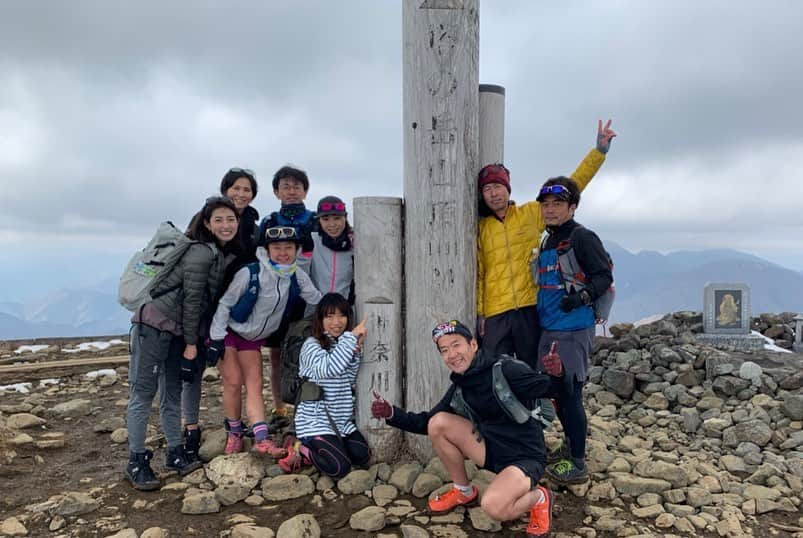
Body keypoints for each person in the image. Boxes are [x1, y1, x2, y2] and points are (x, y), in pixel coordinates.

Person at [371, 320, 563, 538]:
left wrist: (558, 374)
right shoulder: (461, 386)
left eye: (456, 345)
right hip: (490, 451)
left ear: (473, 345)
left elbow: (552, 389)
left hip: (525, 456)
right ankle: (464, 491)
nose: (452, 354)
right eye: (444, 350)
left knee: (493, 507)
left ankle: (539, 498)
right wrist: (391, 414)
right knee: (438, 423)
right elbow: (428, 422)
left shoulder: (505, 370)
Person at [476, 120, 616, 362]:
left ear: (508, 189)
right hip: (495, 311)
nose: (494, 193)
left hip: (530, 307)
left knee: (532, 370)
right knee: (494, 372)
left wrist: (599, 153)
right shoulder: (480, 228)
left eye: (498, 186)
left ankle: (535, 403)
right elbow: (479, 273)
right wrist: (480, 312)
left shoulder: (531, 213)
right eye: (487, 189)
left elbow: (573, 186)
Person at [125, 196, 239, 491]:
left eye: (231, 219)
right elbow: (191, 301)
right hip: (152, 326)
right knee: (143, 392)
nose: (226, 225)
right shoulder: (201, 253)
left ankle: (175, 452)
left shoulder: (214, 252)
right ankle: (136, 460)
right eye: (219, 220)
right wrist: (192, 343)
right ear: (206, 223)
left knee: (172, 391)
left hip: (173, 331)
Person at [207, 226, 322, 457]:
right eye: (276, 247)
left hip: (253, 338)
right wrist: (216, 339)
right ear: (266, 250)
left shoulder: (296, 274)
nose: (283, 253)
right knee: (233, 380)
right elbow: (225, 304)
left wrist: (338, 317)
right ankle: (234, 432)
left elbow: (318, 299)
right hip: (228, 331)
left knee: (255, 384)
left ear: (296, 250)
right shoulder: (251, 273)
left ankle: (261, 438)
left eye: (288, 247)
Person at [534, 176, 613, 485]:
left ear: (573, 207)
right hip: (549, 326)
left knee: (570, 392)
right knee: (556, 393)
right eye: (546, 205)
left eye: (557, 204)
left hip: (574, 328)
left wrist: (579, 298)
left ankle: (578, 463)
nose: (550, 210)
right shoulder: (548, 239)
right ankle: (569, 446)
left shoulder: (582, 238)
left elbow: (603, 276)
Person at [181, 168, 259, 463]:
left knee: (236, 375)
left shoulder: (251, 223)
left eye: (247, 189)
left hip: (231, 309)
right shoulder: (207, 220)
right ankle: (190, 429)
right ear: (225, 190)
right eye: (235, 188)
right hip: (201, 306)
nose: (241, 194)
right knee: (193, 369)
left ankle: (236, 426)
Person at [279, 293, 370, 478]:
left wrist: (355, 353)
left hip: (340, 421)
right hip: (315, 422)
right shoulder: (311, 345)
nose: (336, 322)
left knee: (362, 456)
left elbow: (349, 378)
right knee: (339, 468)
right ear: (320, 319)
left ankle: (329, 447)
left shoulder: (342, 343)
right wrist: (350, 339)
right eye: (329, 316)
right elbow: (328, 370)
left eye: (341, 315)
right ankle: (302, 448)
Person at [259, 165, 318, 428]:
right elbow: (259, 257)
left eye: (297, 186)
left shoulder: (318, 219)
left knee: (310, 353)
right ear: (276, 191)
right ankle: (280, 407)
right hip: (277, 301)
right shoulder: (270, 222)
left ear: (305, 190)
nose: (291, 191)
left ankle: (308, 408)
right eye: (285, 186)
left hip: (309, 298)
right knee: (276, 356)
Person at [307, 196, 355, 310]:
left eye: (337, 218)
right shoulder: (311, 241)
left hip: (345, 311)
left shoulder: (355, 243)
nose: (332, 224)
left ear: (345, 217)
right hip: (317, 310)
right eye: (326, 219)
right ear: (319, 220)